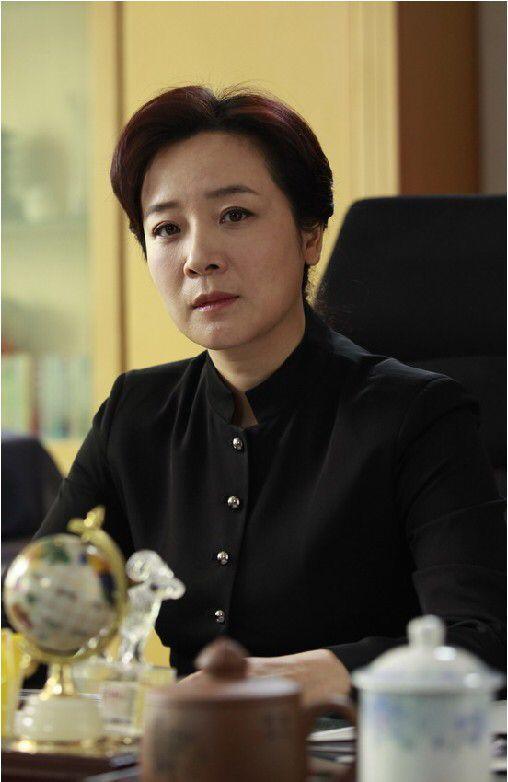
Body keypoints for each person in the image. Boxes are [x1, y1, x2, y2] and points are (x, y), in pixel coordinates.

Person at [35, 85, 506, 702]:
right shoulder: (136, 414)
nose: (198, 257)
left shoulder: (416, 416)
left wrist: (303, 678)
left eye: (235, 215)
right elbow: (38, 616)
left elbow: (483, 640)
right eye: (167, 228)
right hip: (186, 745)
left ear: (310, 235)